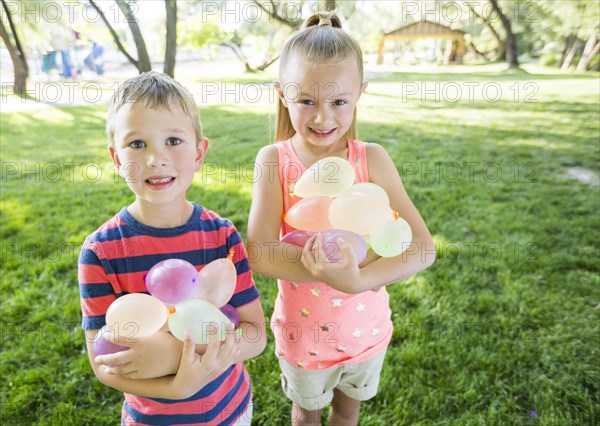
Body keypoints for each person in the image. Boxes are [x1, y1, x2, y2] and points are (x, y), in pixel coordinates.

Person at [247, 13, 436, 425]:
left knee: (348, 413)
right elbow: (259, 252)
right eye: (307, 101)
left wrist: (359, 280)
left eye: (338, 102)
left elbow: (422, 248)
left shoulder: (372, 159)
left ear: (360, 93)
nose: (322, 117)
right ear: (282, 94)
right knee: (306, 414)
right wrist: (327, 268)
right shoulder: (274, 161)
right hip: (303, 335)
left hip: (365, 332)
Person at [78, 71, 266, 425]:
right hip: (153, 418)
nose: (155, 158)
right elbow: (103, 363)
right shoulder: (100, 252)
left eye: (173, 141)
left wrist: (189, 355)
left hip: (230, 410)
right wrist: (178, 387)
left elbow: (255, 333)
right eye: (137, 144)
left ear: (199, 153)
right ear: (116, 158)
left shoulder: (222, 236)